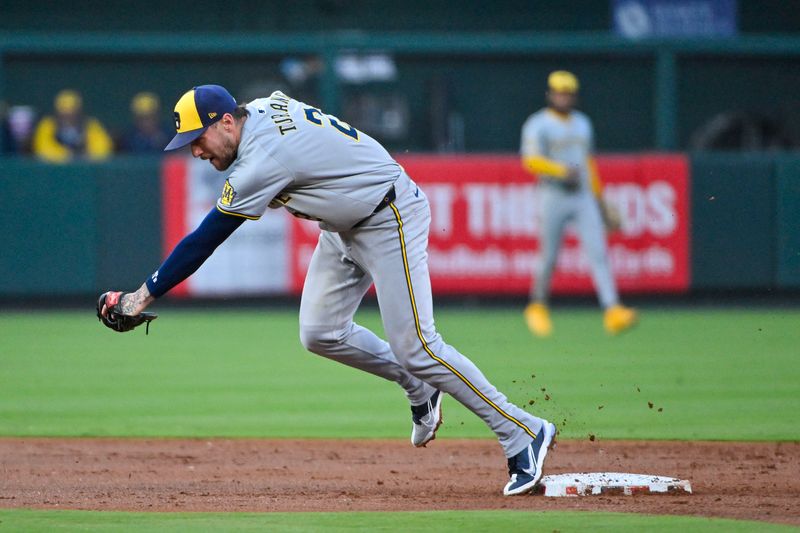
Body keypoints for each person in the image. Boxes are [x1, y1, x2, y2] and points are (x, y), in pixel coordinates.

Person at [98, 84, 556, 496]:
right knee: (319, 332)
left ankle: (523, 432)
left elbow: (206, 238)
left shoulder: (261, 160)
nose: (195, 152)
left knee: (417, 345)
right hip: (342, 226)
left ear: (227, 122)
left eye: (197, 140)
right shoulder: (259, 109)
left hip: (389, 215)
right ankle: (414, 383)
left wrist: (142, 296)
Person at [520, 71, 637, 337]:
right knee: (548, 255)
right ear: (550, 94)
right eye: (559, 92)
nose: (563, 97)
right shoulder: (538, 123)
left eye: (568, 92)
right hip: (553, 193)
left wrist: (600, 199)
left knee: (599, 251)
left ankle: (612, 310)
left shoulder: (583, 123)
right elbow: (529, 160)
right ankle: (537, 306)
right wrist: (561, 171)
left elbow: (588, 163)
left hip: (582, 194)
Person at [32, 89, 114, 163]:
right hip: (54, 172)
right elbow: (43, 150)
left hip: (85, 172)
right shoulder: (48, 125)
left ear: (79, 111)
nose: (68, 116)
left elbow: (103, 149)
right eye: (64, 112)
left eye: (72, 112)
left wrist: (85, 154)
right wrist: (68, 155)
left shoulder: (90, 125)